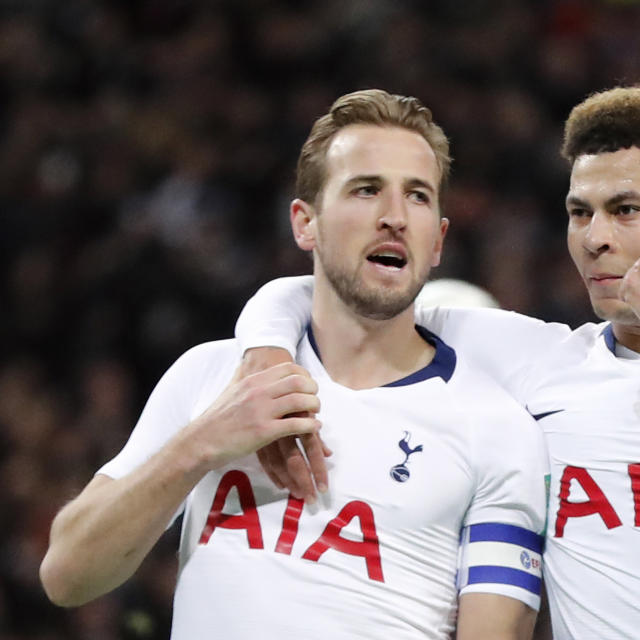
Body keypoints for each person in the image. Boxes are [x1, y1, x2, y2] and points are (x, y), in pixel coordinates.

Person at [235, 83, 640, 639]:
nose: (596, 238)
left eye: (625, 210)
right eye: (579, 213)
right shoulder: (536, 361)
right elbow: (336, 291)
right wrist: (265, 351)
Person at [39, 89, 549, 640]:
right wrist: (203, 443)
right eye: (366, 189)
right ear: (305, 224)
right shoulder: (212, 375)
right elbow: (67, 576)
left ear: (438, 241)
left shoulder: (498, 429)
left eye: (418, 196)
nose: (395, 217)